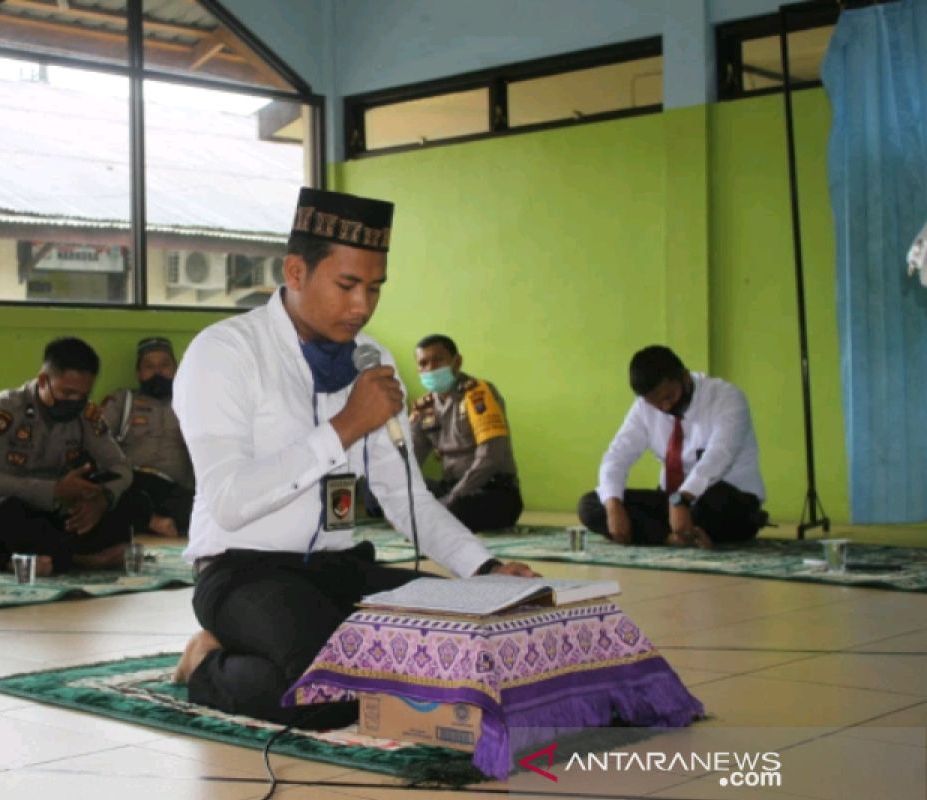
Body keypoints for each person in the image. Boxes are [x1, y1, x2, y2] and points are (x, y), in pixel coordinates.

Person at [169, 187, 537, 728]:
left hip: (338, 569)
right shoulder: (224, 354)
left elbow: (403, 493)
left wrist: (483, 569)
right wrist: (343, 428)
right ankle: (206, 662)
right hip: (244, 573)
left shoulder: (373, 360)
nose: (362, 306)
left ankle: (301, 645)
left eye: (374, 288)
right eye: (347, 285)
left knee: (473, 641)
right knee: (328, 693)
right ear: (295, 272)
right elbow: (227, 502)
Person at [0, 337, 138, 576]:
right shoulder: (3, 409)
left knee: (130, 497)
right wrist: (55, 490)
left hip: (59, 516)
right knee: (1, 515)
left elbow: (120, 467)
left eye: (83, 394)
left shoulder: (86, 416)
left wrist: (101, 501)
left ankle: (55, 559)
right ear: (43, 380)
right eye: (67, 393)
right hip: (14, 511)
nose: (75, 401)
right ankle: (81, 559)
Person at [577, 345, 768, 548]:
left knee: (717, 502)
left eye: (669, 397)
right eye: (656, 403)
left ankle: (661, 533)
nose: (665, 407)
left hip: (723, 499)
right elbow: (616, 456)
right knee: (592, 504)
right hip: (672, 503)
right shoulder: (643, 407)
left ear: (684, 377)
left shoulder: (727, 398)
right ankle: (672, 538)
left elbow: (719, 456)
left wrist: (682, 499)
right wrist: (613, 504)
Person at [409, 334, 524, 531]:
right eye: (423, 363)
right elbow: (410, 458)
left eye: (438, 360)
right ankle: (431, 517)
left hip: (489, 492)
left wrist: (452, 498)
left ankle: (433, 519)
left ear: (457, 362)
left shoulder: (478, 394)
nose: (430, 369)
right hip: (449, 488)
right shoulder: (424, 407)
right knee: (393, 496)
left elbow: (491, 456)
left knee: (453, 510)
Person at [100, 336, 194, 537]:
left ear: (176, 370)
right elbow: (96, 440)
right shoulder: (122, 401)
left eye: (164, 365)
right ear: (139, 373)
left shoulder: (192, 403)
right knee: (103, 496)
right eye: (149, 366)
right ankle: (151, 521)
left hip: (173, 490)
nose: (157, 372)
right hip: (132, 483)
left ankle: (147, 520)